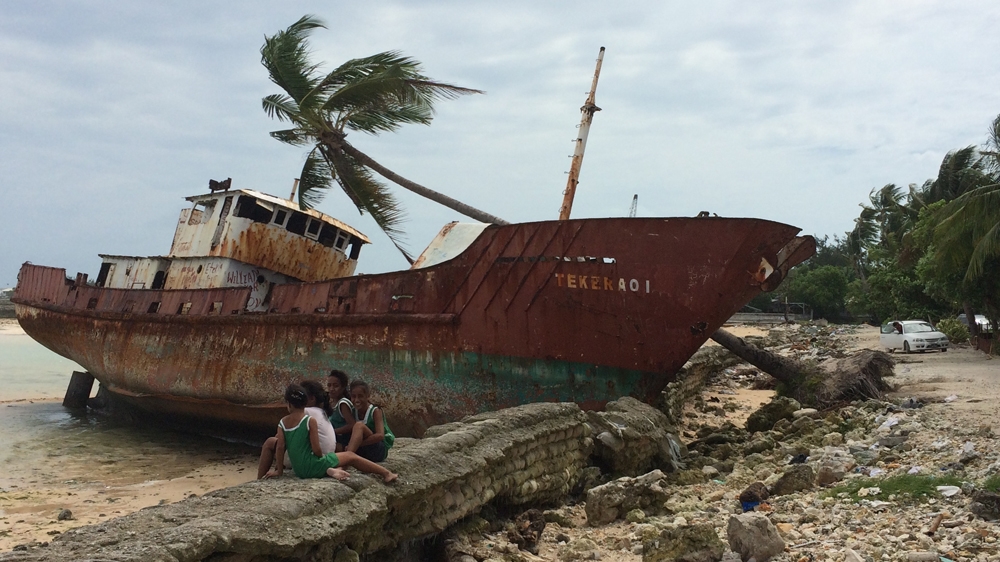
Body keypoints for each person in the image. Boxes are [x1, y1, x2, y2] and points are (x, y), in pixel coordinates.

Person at [263, 383, 397, 483]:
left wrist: (279, 470)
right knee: (351, 456)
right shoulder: (310, 420)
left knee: (343, 452)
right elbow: (316, 449)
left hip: (299, 470)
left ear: (289, 404)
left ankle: (329, 470)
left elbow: (280, 447)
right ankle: (386, 473)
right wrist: (320, 457)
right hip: (313, 466)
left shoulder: (282, 422)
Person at [256, 379, 337, 479]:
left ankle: (259, 479)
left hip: (313, 458)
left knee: (270, 442)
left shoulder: (306, 411)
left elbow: (281, 440)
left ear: (311, 399)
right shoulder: (321, 412)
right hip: (325, 455)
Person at [346, 380, 395, 462]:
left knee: (359, 426)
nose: (356, 400)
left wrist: (357, 444)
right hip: (363, 449)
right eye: (353, 396)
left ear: (367, 396)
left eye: (360, 396)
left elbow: (380, 435)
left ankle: (346, 457)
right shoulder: (353, 411)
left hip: (377, 449)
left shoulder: (375, 411)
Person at [326, 370, 357, 451]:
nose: (331, 389)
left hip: (343, 440)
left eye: (335, 386)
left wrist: (332, 432)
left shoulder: (343, 404)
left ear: (343, 387)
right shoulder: (331, 403)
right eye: (329, 386)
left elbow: (352, 425)